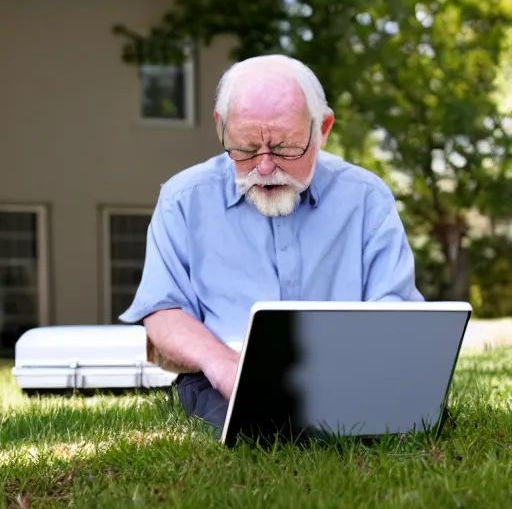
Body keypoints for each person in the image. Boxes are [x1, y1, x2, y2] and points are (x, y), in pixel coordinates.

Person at [120, 54, 424, 429]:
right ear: (221, 127)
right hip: (221, 377)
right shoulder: (184, 199)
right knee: (257, 434)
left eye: (284, 147)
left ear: (322, 128)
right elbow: (163, 310)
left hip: (349, 373)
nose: (264, 168)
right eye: (246, 148)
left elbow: (395, 307)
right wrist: (223, 365)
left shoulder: (367, 198)